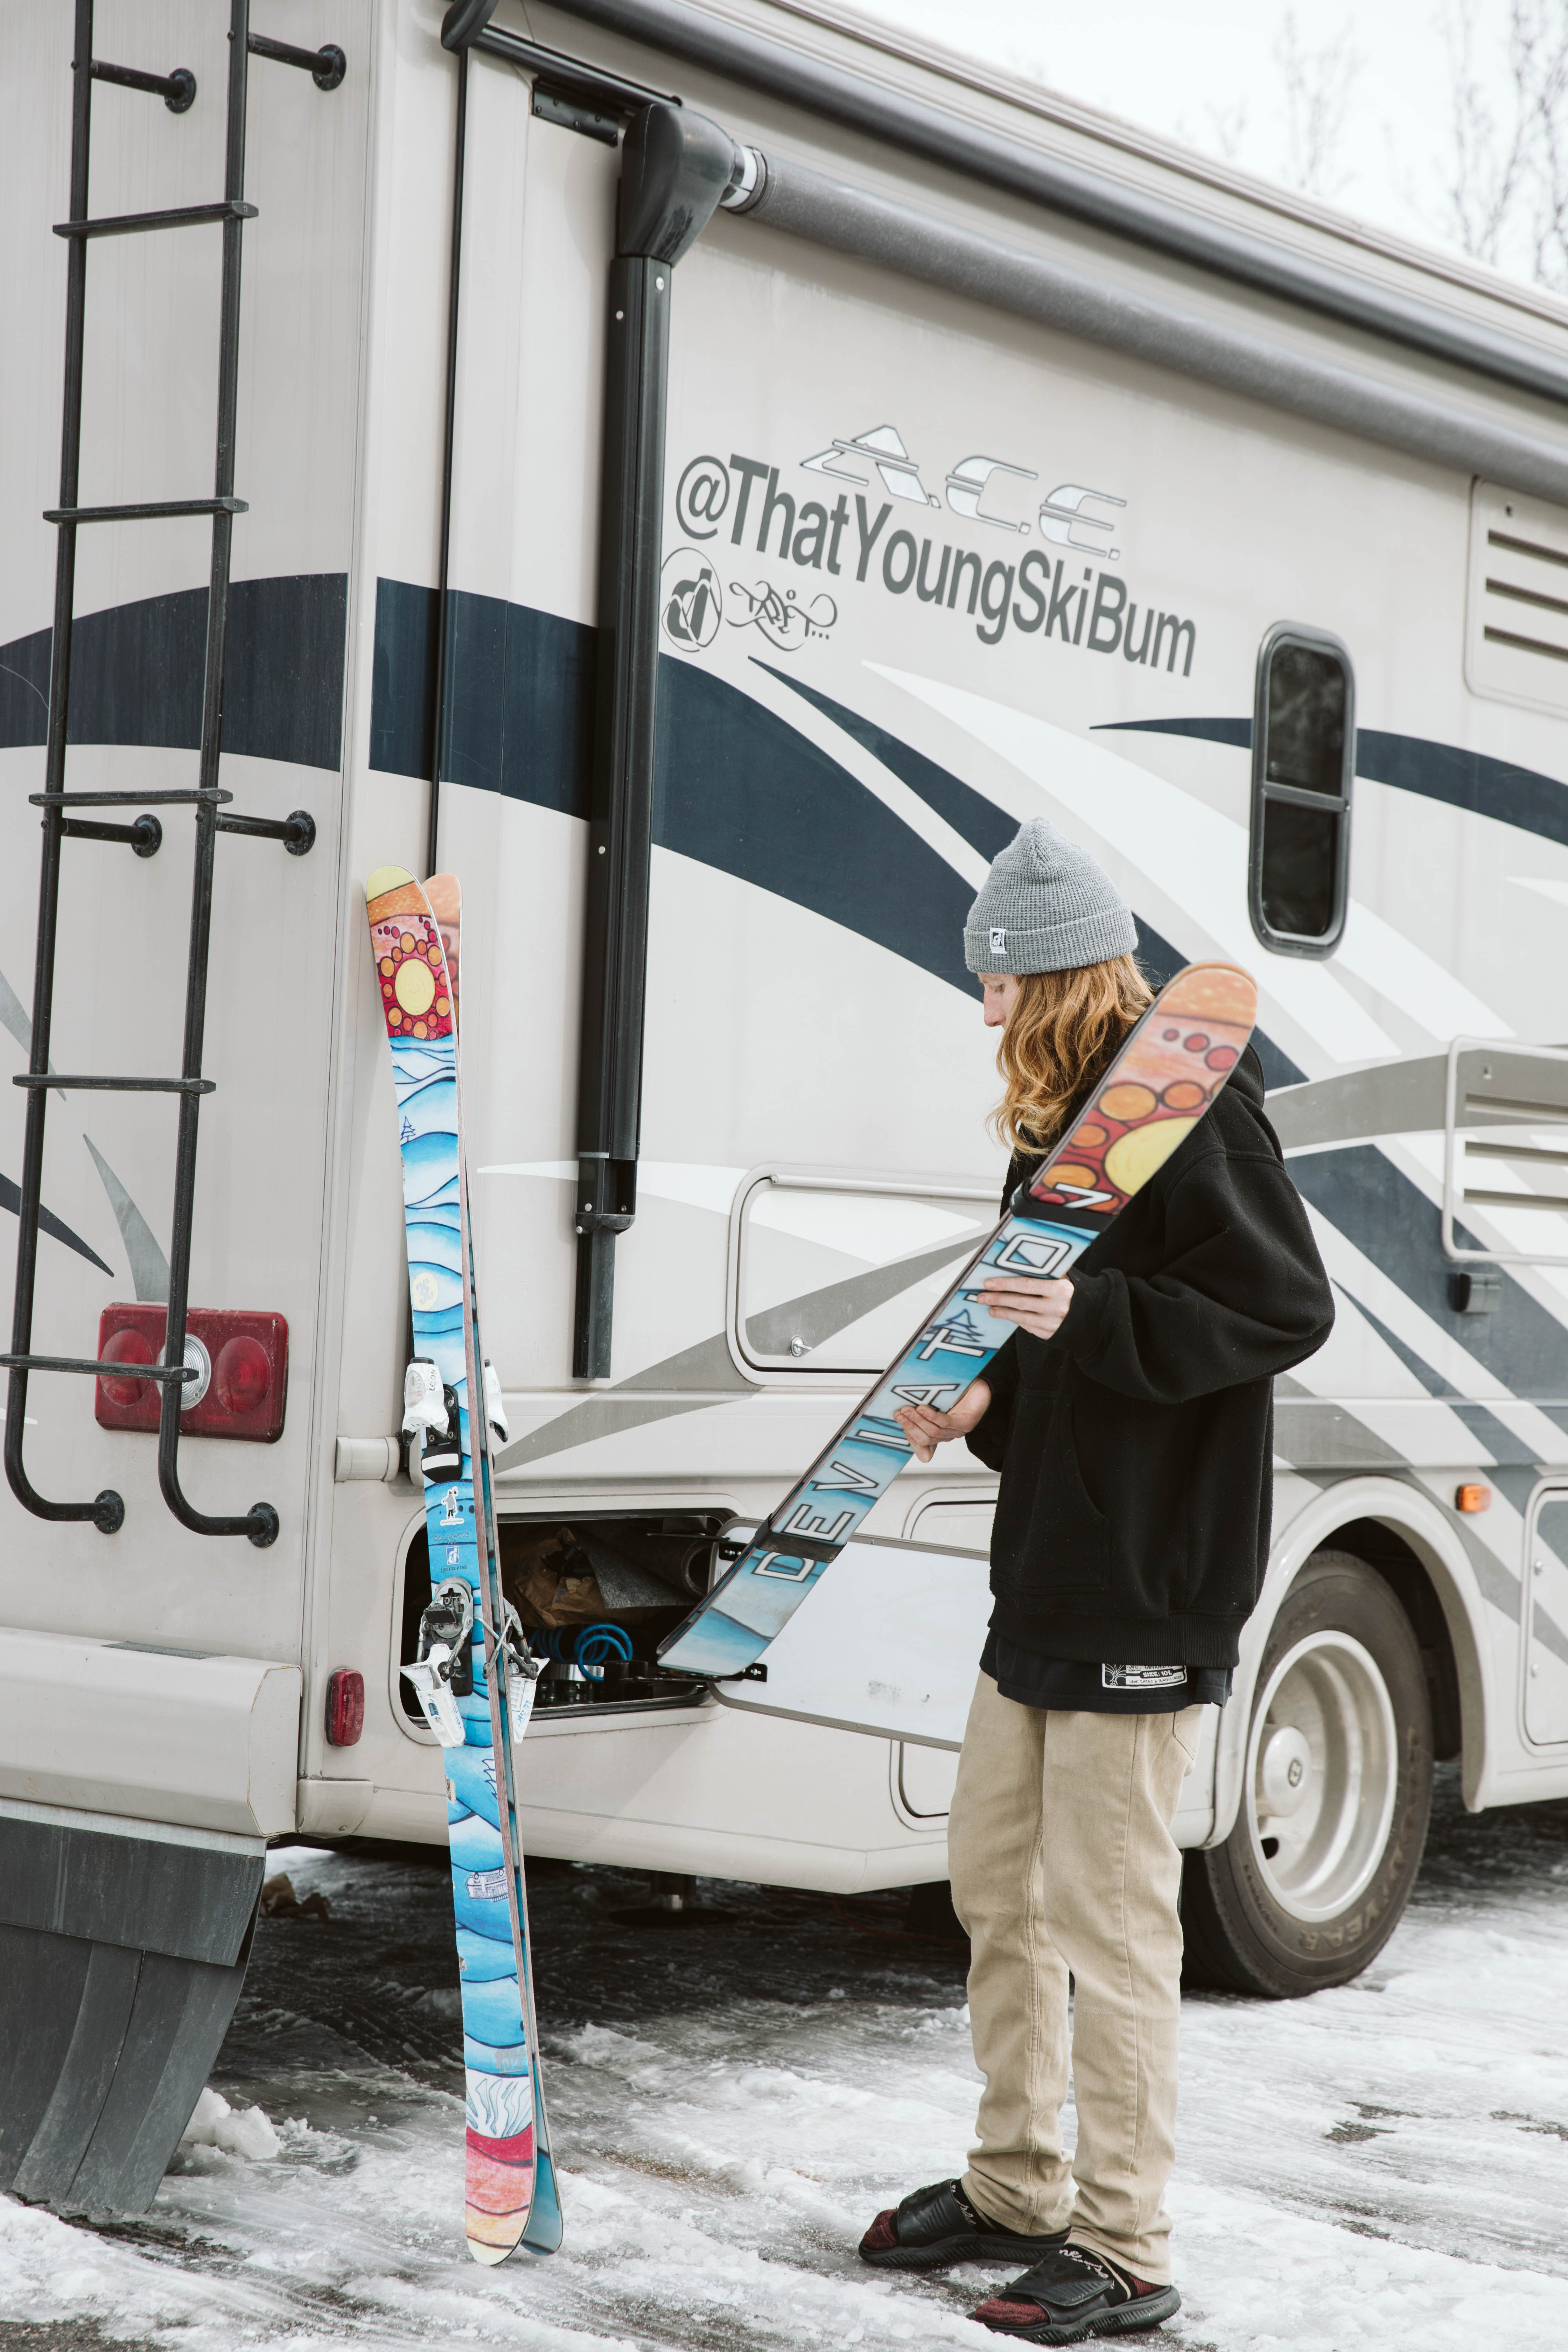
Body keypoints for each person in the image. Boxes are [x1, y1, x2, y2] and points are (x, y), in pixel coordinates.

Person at [856, 818, 1334, 2341]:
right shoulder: (1055, 1133)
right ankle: (1016, 2186)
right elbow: (1055, 1352)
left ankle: (1124, 2248)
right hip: (1050, 1567)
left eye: (993, 983)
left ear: (1051, 974)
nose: (979, 1011)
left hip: (1151, 1578)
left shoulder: (1195, 1109)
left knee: (1114, 1918)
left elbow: (1280, 1306)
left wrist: (1088, 1319)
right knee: (994, 1882)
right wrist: (987, 1411)